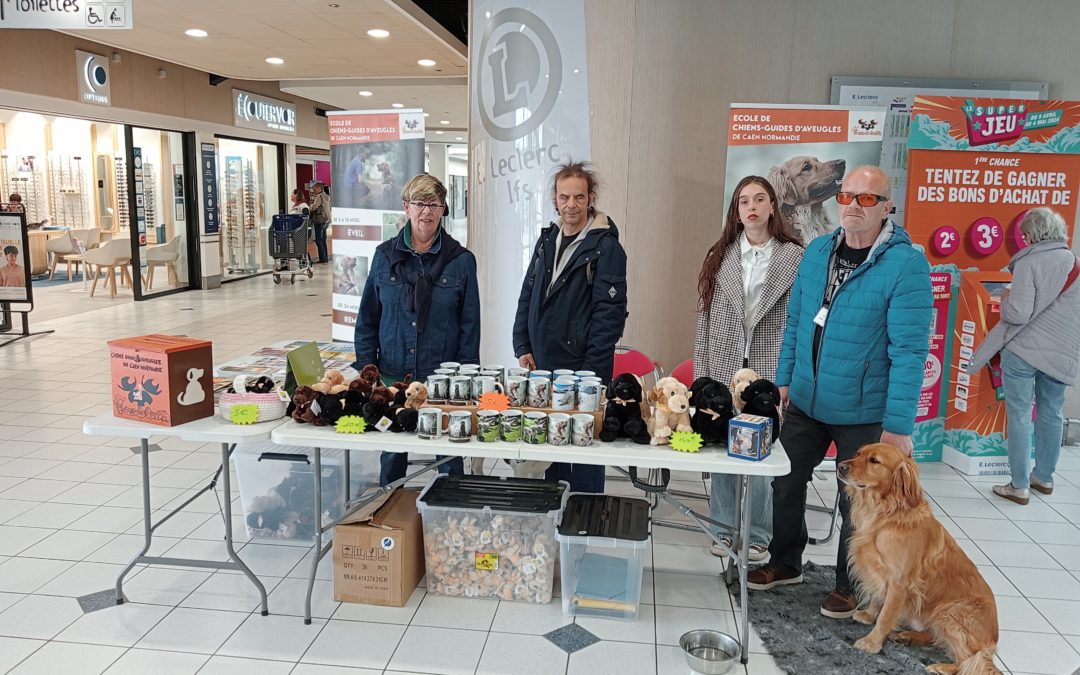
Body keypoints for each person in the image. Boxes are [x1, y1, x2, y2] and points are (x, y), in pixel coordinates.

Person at [747, 165, 932, 620]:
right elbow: (795, 322)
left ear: (887, 207)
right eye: (848, 196)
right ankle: (785, 561)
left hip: (864, 410)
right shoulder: (816, 252)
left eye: (867, 199)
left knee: (858, 502)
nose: (853, 205)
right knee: (784, 481)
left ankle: (851, 586)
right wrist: (785, 379)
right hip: (807, 399)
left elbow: (910, 352)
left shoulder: (906, 266)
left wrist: (897, 427)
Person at [694, 175, 803, 563]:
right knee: (724, 448)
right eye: (743, 201)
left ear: (774, 206)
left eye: (760, 199)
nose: (752, 206)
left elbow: (802, 321)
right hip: (724, 359)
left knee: (762, 450)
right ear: (736, 211)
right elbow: (703, 320)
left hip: (770, 364)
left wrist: (790, 375)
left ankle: (757, 533)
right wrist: (701, 374)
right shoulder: (719, 255)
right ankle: (721, 529)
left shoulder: (795, 257)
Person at [354, 174, 480, 486]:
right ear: (406, 207)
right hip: (393, 375)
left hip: (442, 378)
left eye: (434, 204)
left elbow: (470, 324)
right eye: (420, 204)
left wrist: (465, 375)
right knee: (392, 451)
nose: (426, 212)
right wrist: (368, 370)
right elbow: (368, 317)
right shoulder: (384, 256)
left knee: (450, 455)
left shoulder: (462, 261)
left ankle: (450, 511)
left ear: (443, 209)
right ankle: (387, 511)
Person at [513, 161, 628, 492]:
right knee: (553, 450)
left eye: (578, 197)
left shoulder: (607, 248)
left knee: (583, 456)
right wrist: (523, 343)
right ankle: (555, 518)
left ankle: (586, 523)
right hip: (544, 366)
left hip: (583, 370)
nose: (571, 205)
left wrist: (590, 373)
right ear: (555, 198)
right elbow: (528, 293)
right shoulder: (547, 239)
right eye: (564, 197)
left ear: (590, 198)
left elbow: (610, 316)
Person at [970, 207, 1080, 505]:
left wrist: (1005, 299)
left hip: (1023, 352)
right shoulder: (1075, 264)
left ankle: (1018, 485)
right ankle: (1044, 477)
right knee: (1051, 413)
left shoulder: (1029, 262)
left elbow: (1018, 314)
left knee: (1019, 415)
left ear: (1029, 235)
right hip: (1061, 354)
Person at [309, 182, 332, 263]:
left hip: (320, 220)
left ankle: (323, 259)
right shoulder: (327, 196)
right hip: (326, 220)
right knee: (323, 240)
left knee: (319, 240)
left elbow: (315, 206)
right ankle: (325, 258)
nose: (313, 191)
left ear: (319, 188)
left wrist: (310, 207)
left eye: (314, 189)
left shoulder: (319, 196)